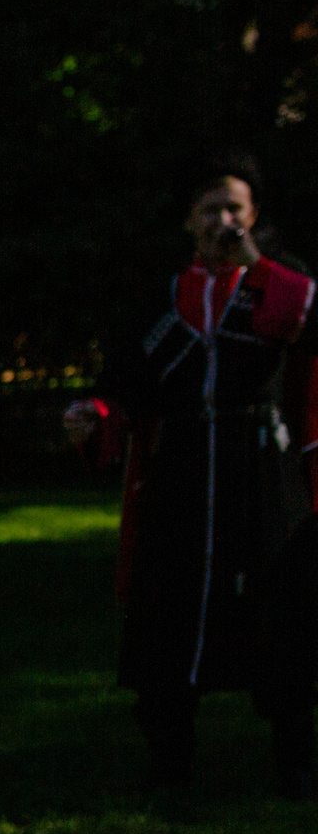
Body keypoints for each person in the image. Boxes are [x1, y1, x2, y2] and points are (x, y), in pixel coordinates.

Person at [64, 154, 318, 797]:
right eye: (210, 209)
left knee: (276, 606)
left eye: (235, 208)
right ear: (188, 221)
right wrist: (93, 415)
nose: (223, 221)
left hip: (261, 467)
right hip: (179, 474)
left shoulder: (280, 283)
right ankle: (169, 757)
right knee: (168, 609)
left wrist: (256, 264)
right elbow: (121, 386)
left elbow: (299, 326)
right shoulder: (161, 299)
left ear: (254, 216)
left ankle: (293, 761)